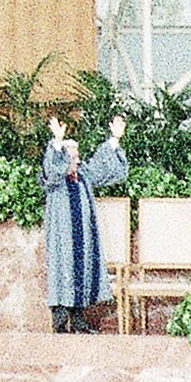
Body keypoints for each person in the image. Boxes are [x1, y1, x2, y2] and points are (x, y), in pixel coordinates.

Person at [41, 113, 129, 333]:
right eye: (72, 157)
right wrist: (58, 143)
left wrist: (114, 140)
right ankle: (60, 324)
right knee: (63, 273)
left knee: (83, 272)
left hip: (83, 237)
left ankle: (79, 322)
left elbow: (105, 167)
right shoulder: (55, 181)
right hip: (63, 238)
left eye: (77, 156)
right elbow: (51, 168)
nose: (77, 160)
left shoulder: (84, 176)